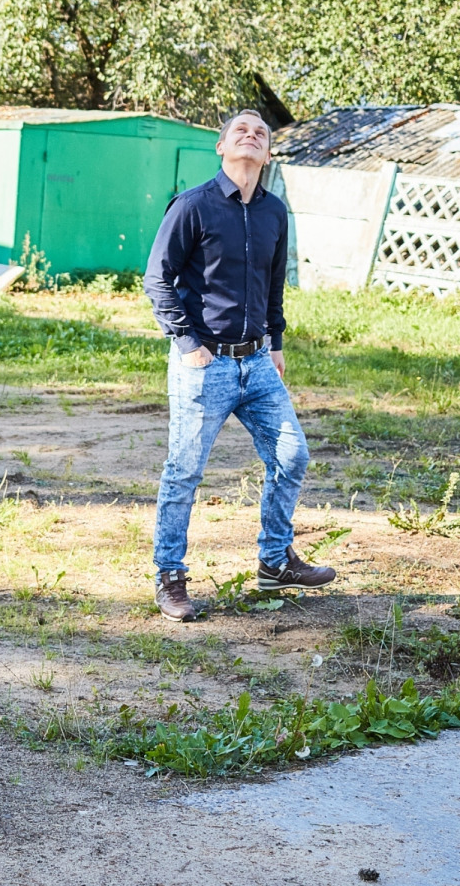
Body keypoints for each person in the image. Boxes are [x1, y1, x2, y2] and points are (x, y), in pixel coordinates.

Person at [143, 109, 335, 622]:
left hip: (258, 363)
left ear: (268, 153)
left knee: (292, 456)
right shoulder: (193, 206)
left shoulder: (274, 211)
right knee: (184, 472)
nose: (251, 136)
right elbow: (157, 278)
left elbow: (274, 284)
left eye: (261, 133)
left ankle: (274, 562)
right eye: (241, 131)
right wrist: (186, 342)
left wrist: (275, 340)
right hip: (205, 364)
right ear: (222, 147)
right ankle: (170, 576)